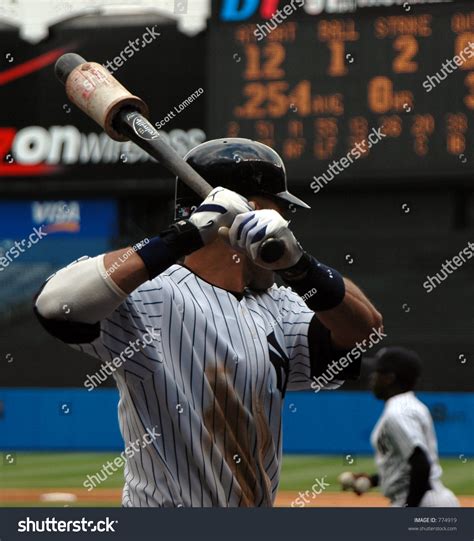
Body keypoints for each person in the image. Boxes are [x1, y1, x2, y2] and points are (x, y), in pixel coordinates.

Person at [34, 138, 382, 507]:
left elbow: (365, 329)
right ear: (247, 212)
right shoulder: (152, 296)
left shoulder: (279, 306)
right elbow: (56, 303)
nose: (284, 224)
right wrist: (185, 234)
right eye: (280, 211)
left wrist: (300, 265)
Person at [339, 346, 460, 507]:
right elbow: (407, 469)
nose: (372, 377)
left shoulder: (398, 412)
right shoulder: (408, 405)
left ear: (389, 378)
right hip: (428, 499)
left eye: (377, 373)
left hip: (421, 502)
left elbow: (421, 465)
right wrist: (373, 480)